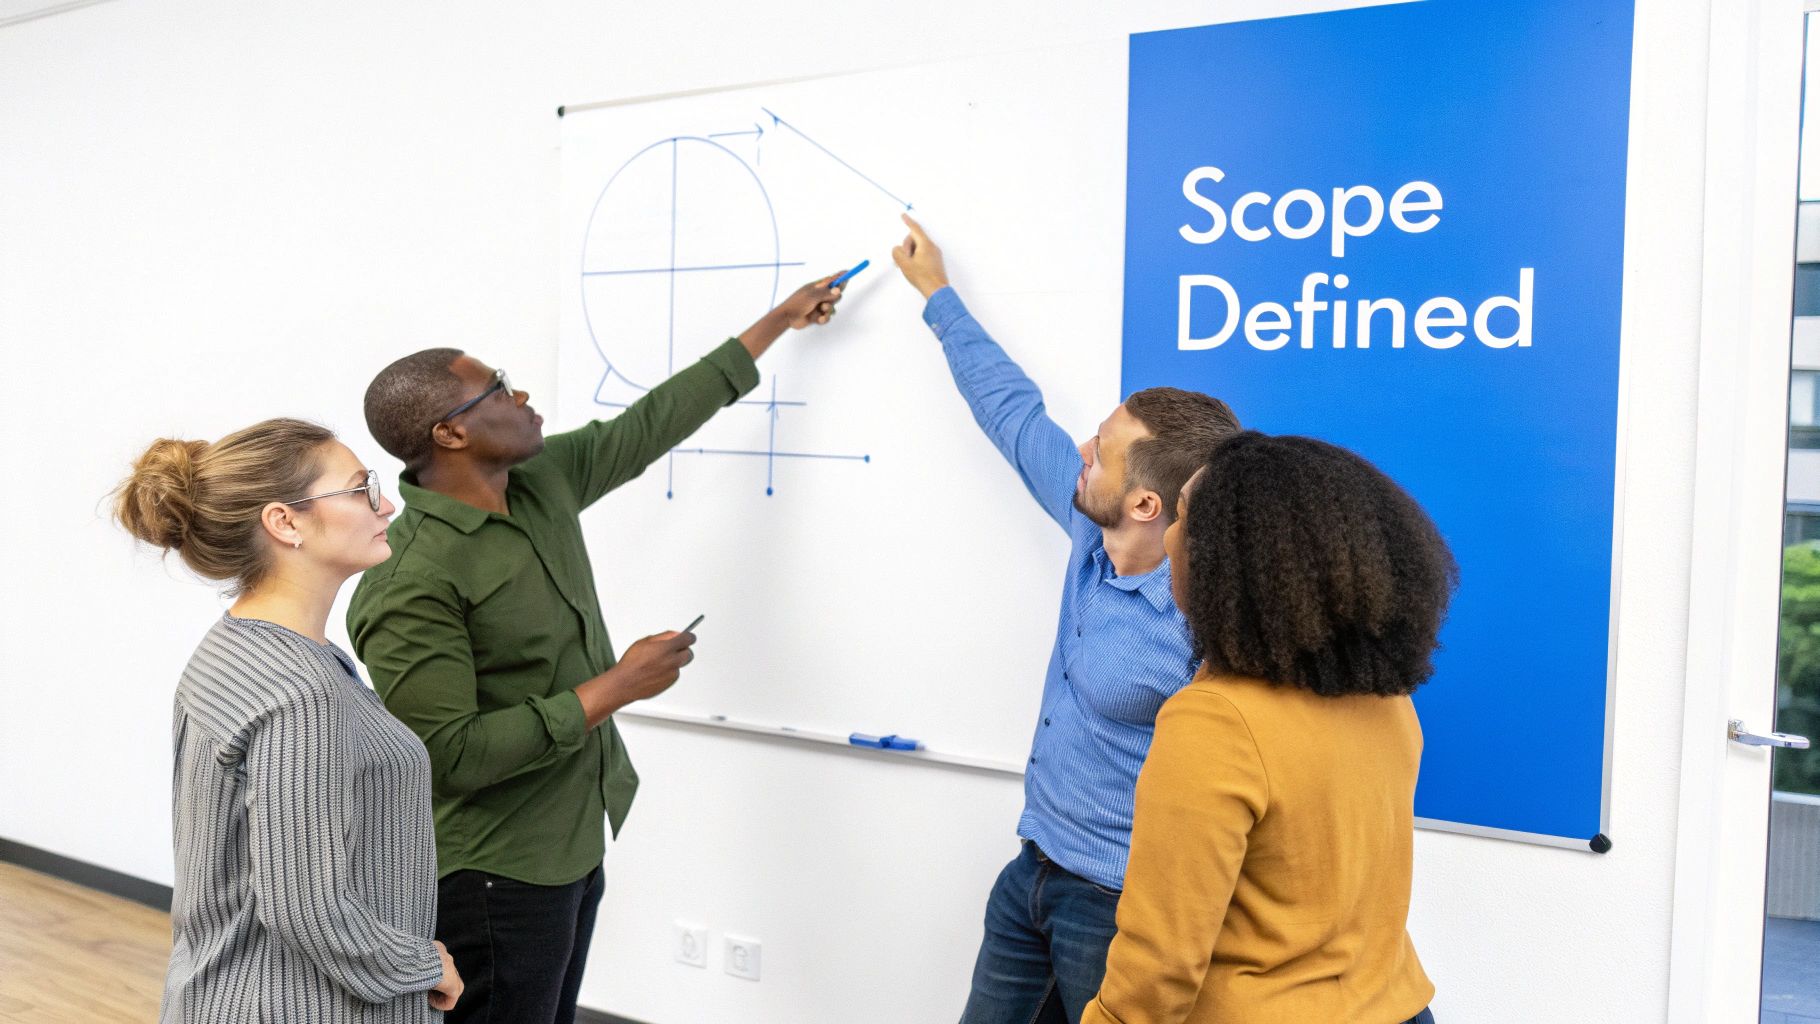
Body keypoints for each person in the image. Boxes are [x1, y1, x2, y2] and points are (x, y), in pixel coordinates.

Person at [346, 278, 844, 1024]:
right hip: (492, 871)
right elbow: (450, 752)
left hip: (572, 838)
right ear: (450, 434)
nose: (522, 397)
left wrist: (778, 320)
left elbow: (649, 425)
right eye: (500, 390)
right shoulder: (411, 578)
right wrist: (619, 685)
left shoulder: (539, 481)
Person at [889, 215, 1241, 1023]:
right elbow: (1012, 412)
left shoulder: (1207, 631)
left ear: (1148, 503)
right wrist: (937, 292)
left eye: (1103, 451)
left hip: (1119, 906)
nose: (1081, 449)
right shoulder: (1092, 523)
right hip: (1031, 868)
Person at [1080, 432, 1454, 1024]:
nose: (1170, 537)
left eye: (1181, 517)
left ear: (1233, 565)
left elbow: (1157, 968)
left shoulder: (1215, 722)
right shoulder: (1388, 698)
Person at [113, 418, 462, 1023]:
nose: (386, 503)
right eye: (359, 488)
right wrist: (422, 965)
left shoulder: (235, 646)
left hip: (223, 994)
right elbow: (307, 905)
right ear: (285, 522)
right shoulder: (300, 688)